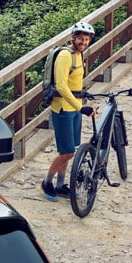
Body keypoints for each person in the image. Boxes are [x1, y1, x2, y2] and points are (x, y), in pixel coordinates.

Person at [42, 22, 96, 201]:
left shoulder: (79, 55)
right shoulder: (66, 55)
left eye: (86, 39)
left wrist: (82, 96)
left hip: (74, 108)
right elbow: (62, 85)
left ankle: (60, 185)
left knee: (68, 149)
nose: (83, 42)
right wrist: (81, 107)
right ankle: (47, 182)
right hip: (64, 109)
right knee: (68, 152)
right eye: (80, 38)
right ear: (73, 37)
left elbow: (74, 83)